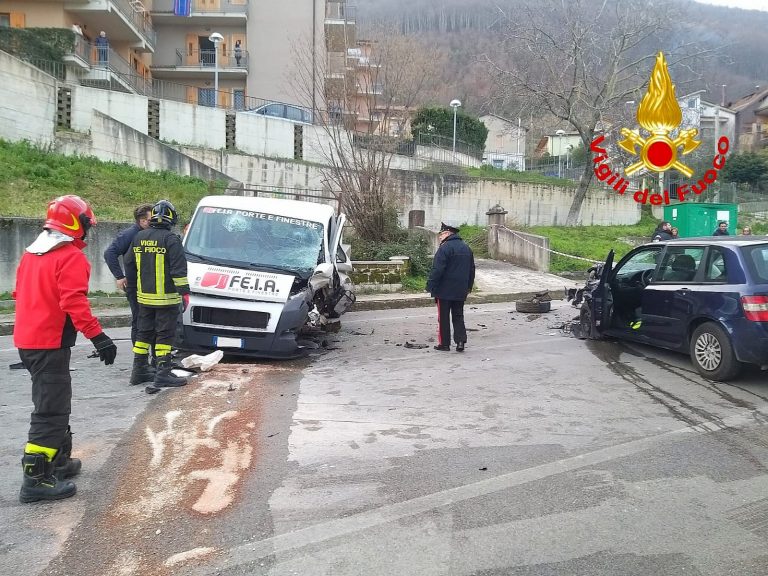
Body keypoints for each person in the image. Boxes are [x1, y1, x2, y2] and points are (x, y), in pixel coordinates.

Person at [13, 195, 117, 503]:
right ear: (77, 224)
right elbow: (73, 302)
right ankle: (35, 479)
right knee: (51, 410)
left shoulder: (31, 253)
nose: (89, 230)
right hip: (48, 344)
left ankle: (58, 461)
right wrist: (99, 337)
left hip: (29, 342)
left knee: (55, 401)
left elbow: (19, 294)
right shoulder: (70, 257)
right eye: (87, 224)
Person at [126, 200, 189, 391]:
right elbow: (179, 271)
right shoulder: (171, 239)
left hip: (144, 298)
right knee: (165, 335)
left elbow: (129, 264)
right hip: (166, 299)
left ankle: (139, 370)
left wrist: (134, 290)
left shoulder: (139, 237)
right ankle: (163, 374)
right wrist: (184, 293)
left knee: (143, 333)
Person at [103, 204, 153, 351]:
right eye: (151, 219)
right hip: (135, 286)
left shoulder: (149, 234)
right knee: (139, 320)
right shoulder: (130, 234)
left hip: (148, 285)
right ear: (142, 221)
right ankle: (140, 356)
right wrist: (119, 276)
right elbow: (109, 253)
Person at [426, 222, 476, 352]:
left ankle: (444, 344)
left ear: (448, 233)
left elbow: (437, 269)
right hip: (461, 289)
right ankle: (460, 342)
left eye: (441, 234)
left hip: (444, 290)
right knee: (458, 315)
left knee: (443, 317)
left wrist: (430, 285)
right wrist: (469, 287)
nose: (440, 237)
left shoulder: (444, 248)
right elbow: (471, 270)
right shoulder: (466, 248)